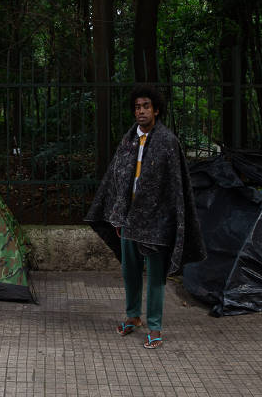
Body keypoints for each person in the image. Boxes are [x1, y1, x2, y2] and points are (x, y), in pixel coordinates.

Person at [85, 85, 206, 349]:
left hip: (157, 221)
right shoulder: (128, 140)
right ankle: (132, 317)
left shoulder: (168, 142)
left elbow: (175, 186)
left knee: (155, 276)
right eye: (138, 107)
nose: (141, 111)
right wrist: (117, 214)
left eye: (146, 106)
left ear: (156, 109)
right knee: (130, 272)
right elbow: (117, 178)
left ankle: (154, 327)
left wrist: (172, 219)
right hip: (129, 219)